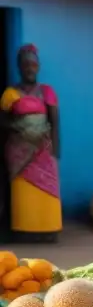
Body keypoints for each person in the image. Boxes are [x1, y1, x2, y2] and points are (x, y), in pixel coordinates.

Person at [1, 44, 61, 241]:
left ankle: (49, 230)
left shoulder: (47, 92)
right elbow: (2, 121)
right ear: (19, 67)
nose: (30, 68)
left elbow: (54, 121)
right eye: (26, 64)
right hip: (19, 152)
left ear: (38, 67)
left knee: (48, 190)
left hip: (43, 151)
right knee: (22, 194)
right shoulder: (10, 94)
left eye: (33, 64)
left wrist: (55, 151)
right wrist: (21, 127)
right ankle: (22, 230)